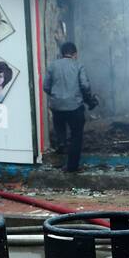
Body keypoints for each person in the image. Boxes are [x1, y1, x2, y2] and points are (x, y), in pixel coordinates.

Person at [42, 42, 98, 173]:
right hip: (74, 107)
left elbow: (46, 86)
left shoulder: (52, 66)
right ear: (75, 54)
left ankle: (61, 144)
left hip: (57, 106)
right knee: (76, 136)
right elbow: (85, 86)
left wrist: (56, 95)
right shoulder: (78, 66)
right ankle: (72, 167)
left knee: (60, 128)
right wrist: (88, 99)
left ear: (62, 53)